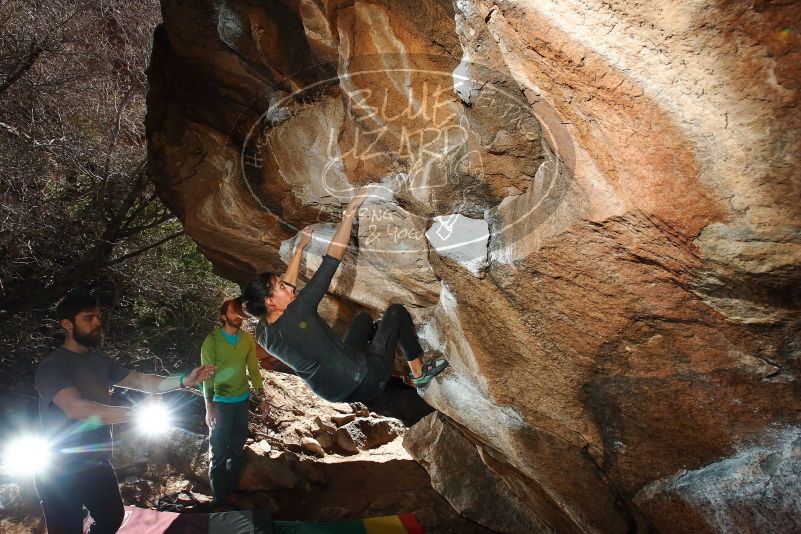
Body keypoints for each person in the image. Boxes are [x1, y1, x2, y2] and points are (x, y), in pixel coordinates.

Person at [241, 185, 448, 403]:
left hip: (332, 392)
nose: (288, 287)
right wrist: (350, 211)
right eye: (280, 287)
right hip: (366, 380)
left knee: (363, 320)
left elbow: (289, 285)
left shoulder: (264, 332)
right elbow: (332, 259)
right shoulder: (298, 312)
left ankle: (383, 342)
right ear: (270, 301)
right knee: (395, 312)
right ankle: (419, 374)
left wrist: (301, 247)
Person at [34, 293, 215, 534]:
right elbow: (76, 408)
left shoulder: (99, 360)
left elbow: (142, 381)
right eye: (89, 318)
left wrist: (184, 380)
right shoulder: (52, 367)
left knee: (112, 518)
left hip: (96, 461)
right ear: (67, 325)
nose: (98, 323)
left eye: (98, 317)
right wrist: (131, 414)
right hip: (58, 469)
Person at [200, 298, 268, 508]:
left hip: (241, 402)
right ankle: (219, 500)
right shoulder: (211, 341)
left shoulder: (246, 339)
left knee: (237, 451)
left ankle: (229, 492)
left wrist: (262, 396)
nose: (239, 317)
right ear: (223, 316)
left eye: (240, 313)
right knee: (219, 453)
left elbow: (253, 370)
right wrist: (208, 406)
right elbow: (206, 376)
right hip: (220, 403)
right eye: (234, 313)